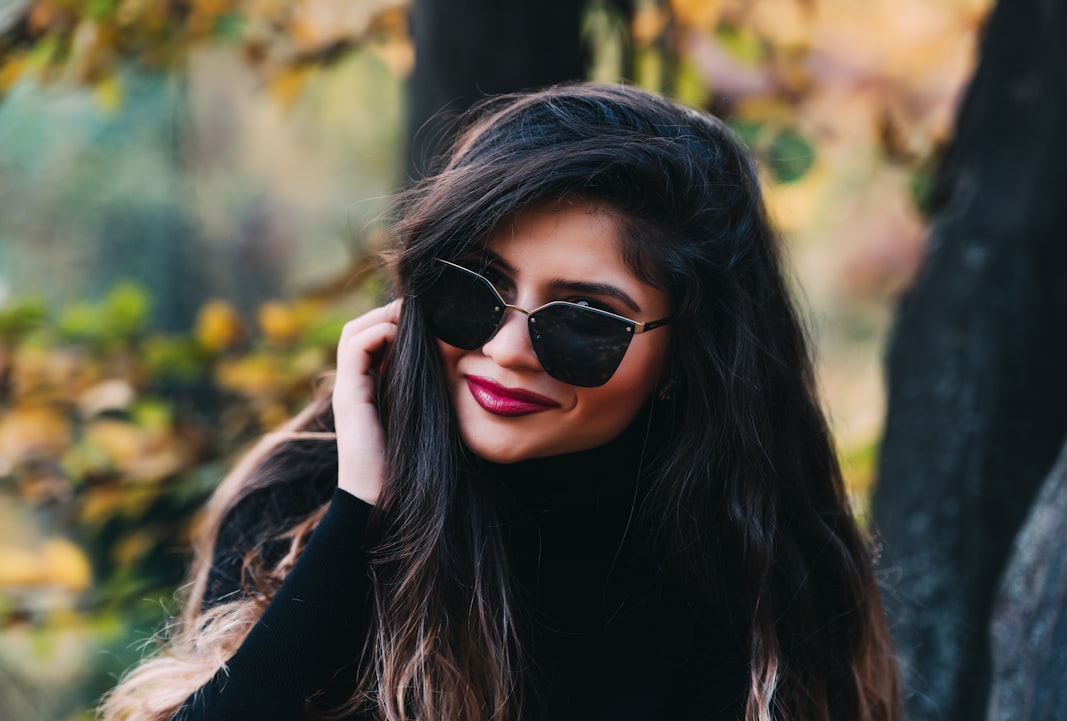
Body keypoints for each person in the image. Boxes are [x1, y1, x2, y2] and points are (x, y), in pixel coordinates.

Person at [101, 82, 899, 721]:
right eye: (471, 288)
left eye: (585, 320)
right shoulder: (303, 497)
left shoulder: (757, 572)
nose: (506, 349)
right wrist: (357, 514)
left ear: (688, 352)